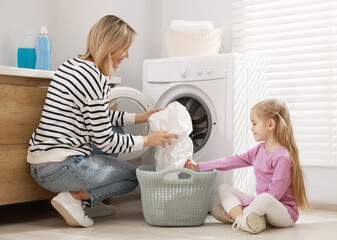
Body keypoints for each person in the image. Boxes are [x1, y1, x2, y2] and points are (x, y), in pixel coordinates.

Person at [27, 15, 177, 228]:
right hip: (61, 167)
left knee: (118, 130)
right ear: (110, 45)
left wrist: (139, 117)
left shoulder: (72, 65)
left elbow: (98, 117)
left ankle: (90, 202)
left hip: (41, 165)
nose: (127, 55)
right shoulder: (94, 78)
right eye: (124, 48)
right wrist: (147, 140)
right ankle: (76, 198)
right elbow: (105, 140)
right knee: (134, 177)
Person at [185, 98, 311, 234]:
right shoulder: (258, 150)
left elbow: (274, 195)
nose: (251, 129)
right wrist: (199, 166)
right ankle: (246, 220)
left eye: (254, 124)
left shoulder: (283, 157)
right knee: (221, 192)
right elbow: (232, 161)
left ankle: (239, 217)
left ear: (270, 124)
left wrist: (242, 206)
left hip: (283, 213)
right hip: (262, 208)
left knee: (264, 199)